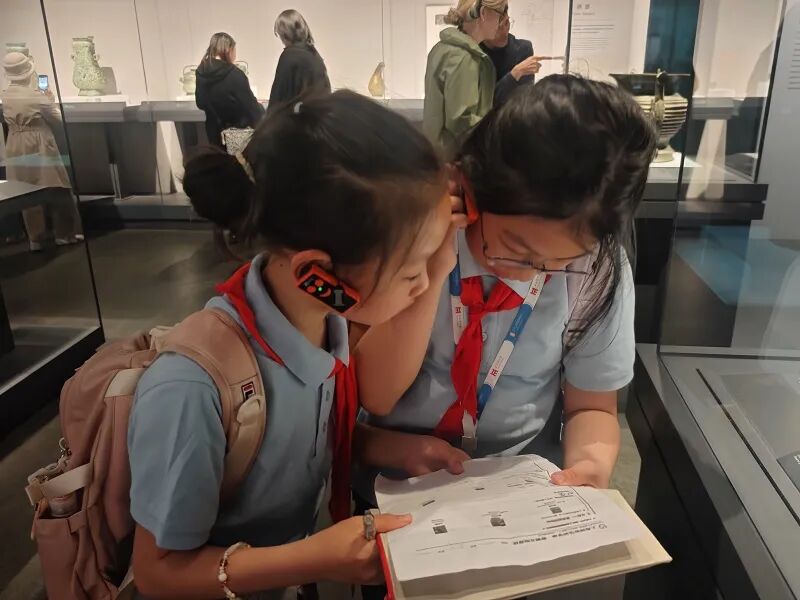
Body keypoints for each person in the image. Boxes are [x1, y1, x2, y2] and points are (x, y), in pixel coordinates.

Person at [128, 90, 468, 600]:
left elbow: (296, 441)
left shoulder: (326, 326)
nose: (424, 285)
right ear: (318, 275)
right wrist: (313, 559)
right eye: (412, 270)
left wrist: (391, 448)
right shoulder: (191, 388)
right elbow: (158, 572)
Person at [354, 75, 657, 599]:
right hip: (396, 487)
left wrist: (589, 467)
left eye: (557, 263)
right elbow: (376, 395)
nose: (529, 274)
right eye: (514, 249)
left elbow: (592, 405)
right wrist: (435, 258)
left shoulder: (596, 271)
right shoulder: (409, 241)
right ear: (470, 188)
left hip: (518, 499)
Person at [1, 52, 83, 251]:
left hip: (15, 143)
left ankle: (35, 238)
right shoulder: (36, 96)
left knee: (26, 191)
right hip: (39, 142)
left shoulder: (5, 95)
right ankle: (64, 233)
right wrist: (49, 98)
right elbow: (58, 119)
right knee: (57, 187)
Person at [423, 0, 507, 157]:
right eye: (499, 15)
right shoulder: (464, 57)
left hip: (439, 156)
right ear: (484, 13)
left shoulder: (443, 49)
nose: (501, 22)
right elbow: (461, 121)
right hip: (457, 158)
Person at [196, 32, 264, 148]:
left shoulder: (201, 72)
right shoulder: (235, 74)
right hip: (237, 135)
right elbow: (251, 108)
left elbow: (200, 103)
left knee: (219, 159)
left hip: (214, 133)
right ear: (229, 50)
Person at [268, 9, 331, 113]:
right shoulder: (314, 54)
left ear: (285, 33)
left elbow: (277, 99)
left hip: (298, 120)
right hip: (318, 118)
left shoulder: (289, 56)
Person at [481, 11, 541, 106]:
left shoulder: (523, 49)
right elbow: (484, 104)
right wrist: (515, 73)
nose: (505, 31)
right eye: (498, 27)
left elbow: (523, 100)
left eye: (507, 22)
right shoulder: (475, 52)